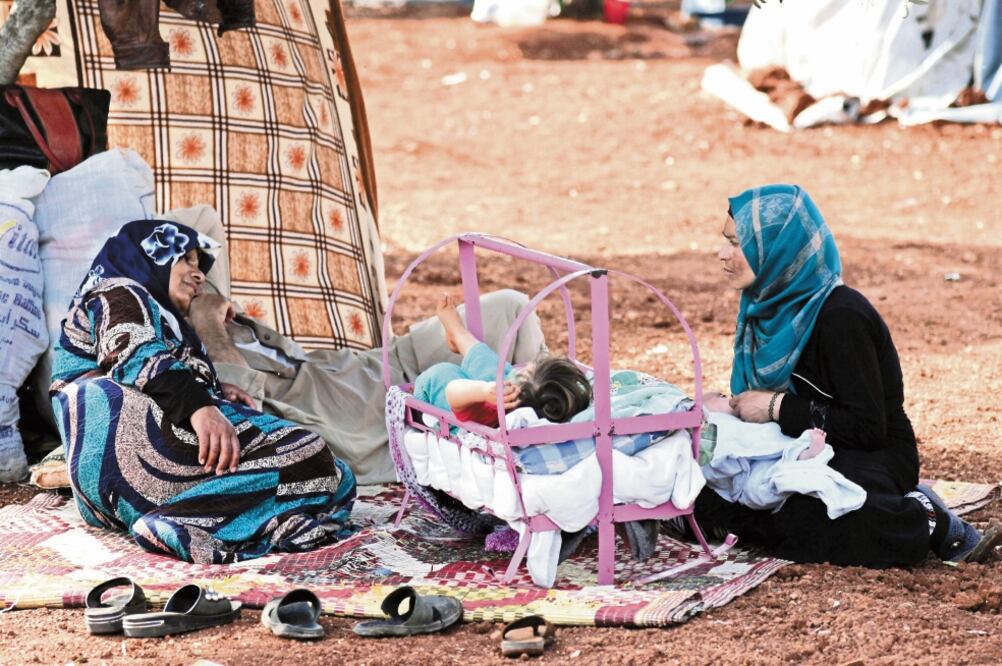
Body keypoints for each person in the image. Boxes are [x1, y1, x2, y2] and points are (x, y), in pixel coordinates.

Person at [693, 183, 990, 567]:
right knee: (693, 485)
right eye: (725, 242)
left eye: (736, 244)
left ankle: (925, 517)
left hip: (868, 455)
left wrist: (776, 406)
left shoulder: (841, 317)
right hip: (789, 450)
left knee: (814, 519)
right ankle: (754, 521)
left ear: (777, 250)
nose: (722, 255)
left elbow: (867, 428)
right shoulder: (761, 309)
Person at [50, 220, 356, 564]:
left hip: (116, 493)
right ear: (152, 253)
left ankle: (195, 520)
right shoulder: (119, 289)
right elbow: (134, 352)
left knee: (335, 475)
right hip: (129, 451)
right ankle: (183, 522)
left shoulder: (163, 321)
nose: (198, 275)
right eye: (187, 259)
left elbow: (153, 361)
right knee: (313, 457)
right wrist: (201, 408)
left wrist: (214, 394)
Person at [412, 295, 592, 427]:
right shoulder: (555, 403)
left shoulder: (489, 413)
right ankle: (458, 335)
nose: (524, 368)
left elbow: (452, 391)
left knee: (456, 372)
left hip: (436, 394)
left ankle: (459, 334)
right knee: (494, 369)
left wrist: (483, 391)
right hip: (492, 390)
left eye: (526, 372)